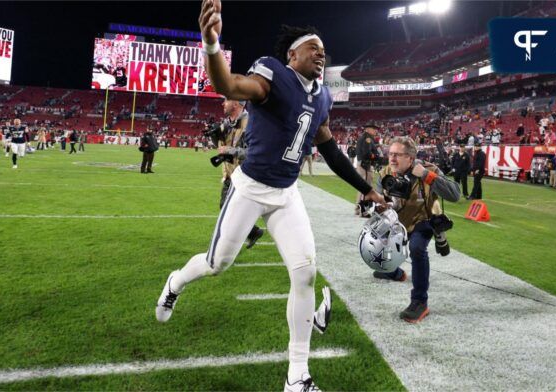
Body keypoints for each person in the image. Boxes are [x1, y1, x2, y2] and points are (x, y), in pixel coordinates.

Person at [156, 5, 385, 391]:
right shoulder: (273, 75)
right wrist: (211, 44)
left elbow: (329, 150)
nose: (321, 53)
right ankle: (175, 283)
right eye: (313, 47)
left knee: (305, 272)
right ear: (291, 55)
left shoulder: (323, 97)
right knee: (217, 263)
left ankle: (297, 376)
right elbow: (230, 85)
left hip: (286, 193)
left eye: (323, 49)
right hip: (250, 188)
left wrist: (366, 189)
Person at [372, 136, 460, 322]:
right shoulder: (385, 173)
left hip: (423, 218)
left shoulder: (428, 170)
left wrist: (427, 176)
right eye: (390, 154)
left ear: (410, 158)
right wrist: (378, 206)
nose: (392, 158)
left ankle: (420, 302)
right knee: (375, 239)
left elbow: (455, 194)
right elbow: (378, 201)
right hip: (397, 220)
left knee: (417, 248)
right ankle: (394, 272)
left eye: (397, 155)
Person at [217, 97, 264, 248]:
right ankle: (252, 232)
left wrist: (230, 150)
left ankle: (226, 245)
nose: (223, 103)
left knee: (229, 210)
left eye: (226, 100)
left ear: (236, 104)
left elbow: (256, 152)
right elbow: (225, 147)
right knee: (226, 208)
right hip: (231, 174)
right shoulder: (228, 124)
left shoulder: (251, 123)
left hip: (246, 175)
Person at [354, 124, 381, 216]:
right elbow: (367, 153)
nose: (375, 130)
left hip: (363, 164)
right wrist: (376, 156)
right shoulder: (367, 138)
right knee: (365, 187)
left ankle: (358, 208)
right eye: (374, 128)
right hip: (365, 165)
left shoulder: (366, 137)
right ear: (368, 129)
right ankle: (363, 210)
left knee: (363, 187)